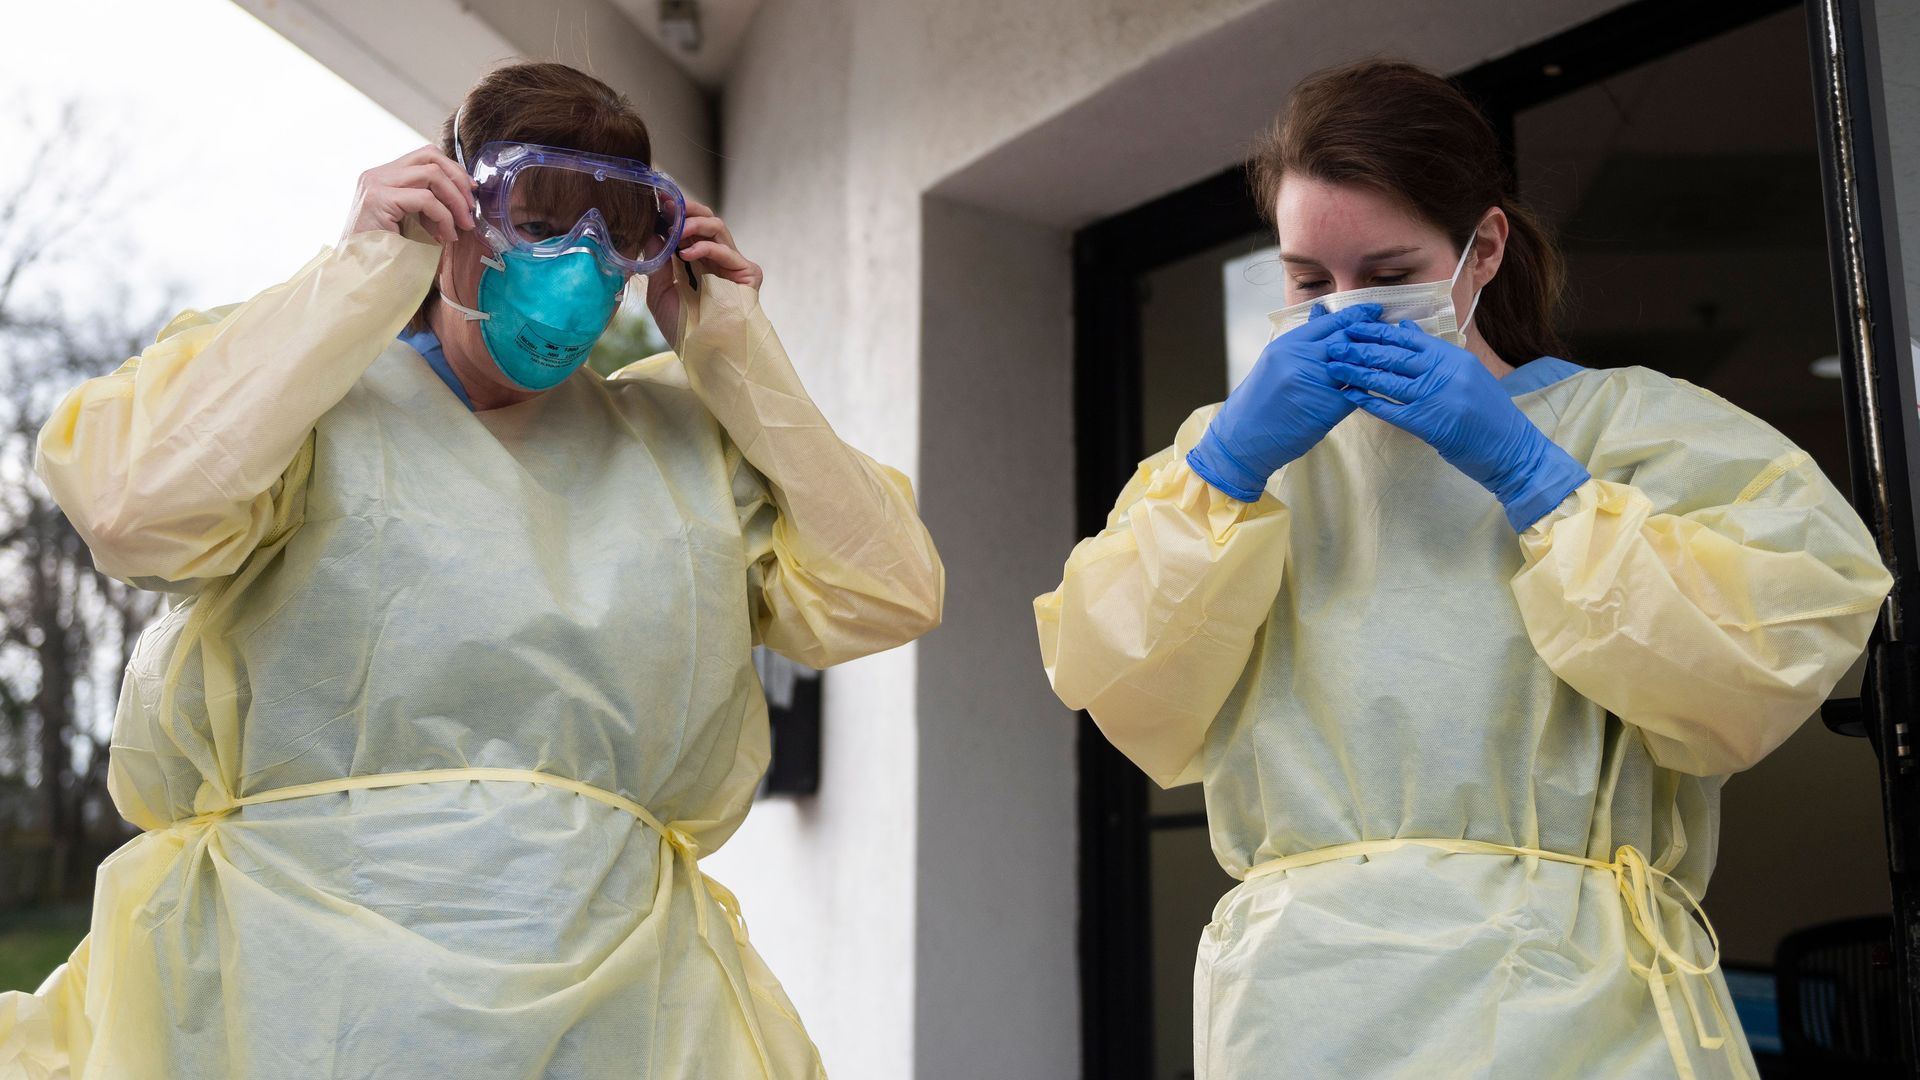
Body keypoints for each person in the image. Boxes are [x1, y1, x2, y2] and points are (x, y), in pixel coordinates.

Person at [0, 61, 942, 1079]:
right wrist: (360, 276)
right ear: (456, 212)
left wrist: (738, 357)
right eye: (537, 223)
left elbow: (886, 590)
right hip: (283, 1002)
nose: (579, 268)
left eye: (615, 234)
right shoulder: (299, 398)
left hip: (618, 1012)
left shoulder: (685, 445)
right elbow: (137, 512)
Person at [1036, 59, 1889, 1080]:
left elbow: (1769, 649)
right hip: (1307, 1010)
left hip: (1576, 1007)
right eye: (1309, 282)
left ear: (1481, 250)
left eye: (1389, 275)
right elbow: (1109, 674)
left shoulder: (1630, 431)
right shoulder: (1232, 463)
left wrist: (1539, 480)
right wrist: (1222, 473)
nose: (1345, 312)